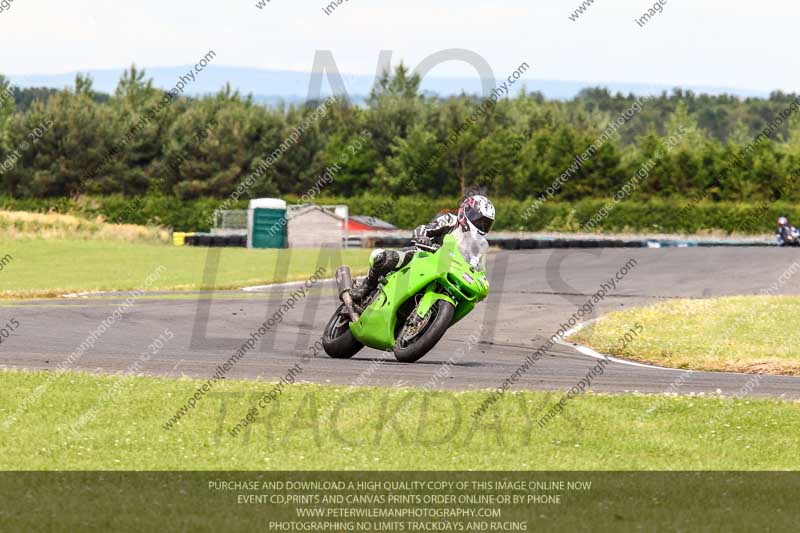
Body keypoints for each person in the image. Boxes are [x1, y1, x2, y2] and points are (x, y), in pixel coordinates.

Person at [349, 195, 496, 302]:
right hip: (424, 256)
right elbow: (424, 229)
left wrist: (480, 278)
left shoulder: (477, 246)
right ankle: (366, 287)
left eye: (486, 224)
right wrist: (422, 237)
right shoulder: (450, 220)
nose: (481, 226)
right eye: (479, 220)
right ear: (466, 211)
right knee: (382, 258)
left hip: (448, 272)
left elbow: (477, 267)